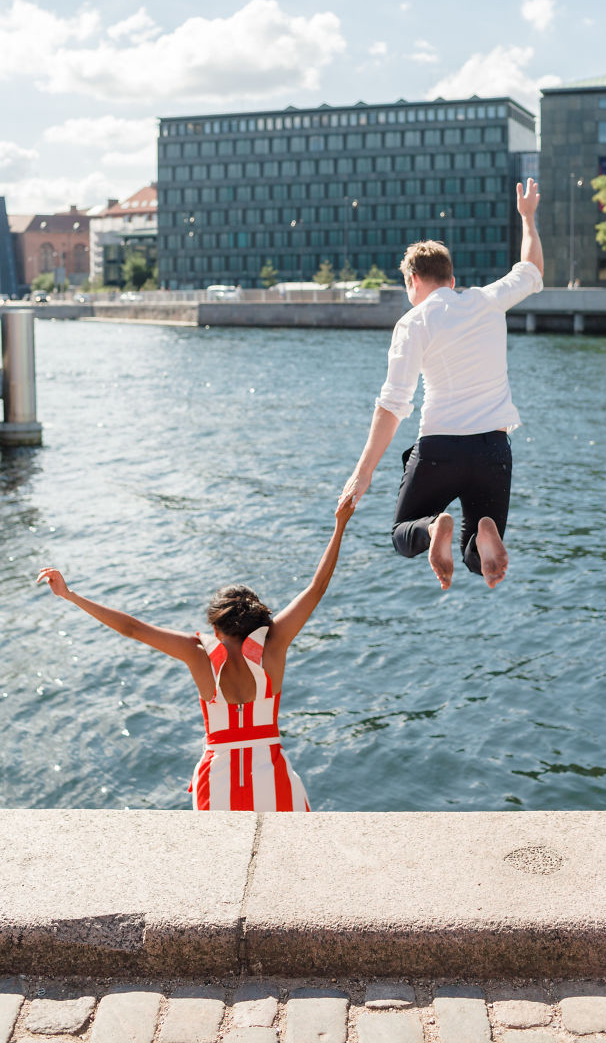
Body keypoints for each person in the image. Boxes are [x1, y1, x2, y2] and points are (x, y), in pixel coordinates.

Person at [36, 496, 355, 812]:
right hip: (273, 779)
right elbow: (316, 587)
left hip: (217, 785)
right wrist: (339, 524)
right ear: (258, 620)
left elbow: (131, 628)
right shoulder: (273, 646)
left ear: (216, 628)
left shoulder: (200, 654)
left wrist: (69, 594)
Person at [341, 178, 543, 592]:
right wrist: (527, 218)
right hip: (492, 448)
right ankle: (483, 532)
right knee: (475, 557)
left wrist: (362, 475)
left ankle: (434, 530)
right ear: (451, 279)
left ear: (413, 280)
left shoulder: (413, 322)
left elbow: (393, 404)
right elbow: (532, 271)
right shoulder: (487, 300)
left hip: (439, 449)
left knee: (403, 533)